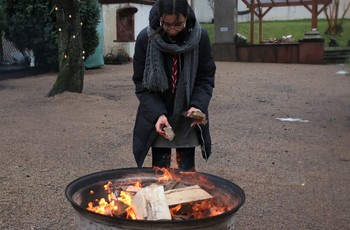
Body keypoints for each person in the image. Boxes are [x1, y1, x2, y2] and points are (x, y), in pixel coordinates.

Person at [132, 0, 216, 172]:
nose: (172, 29)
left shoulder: (201, 38)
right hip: (159, 116)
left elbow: (205, 77)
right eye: (166, 24)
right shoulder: (145, 39)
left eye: (178, 24)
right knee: (161, 173)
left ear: (187, 16)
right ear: (159, 18)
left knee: (187, 173)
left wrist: (197, 105)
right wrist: (158, 114)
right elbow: (141, 84)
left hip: (187, 115)